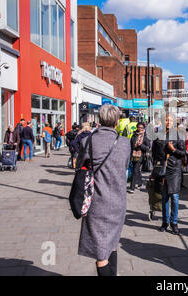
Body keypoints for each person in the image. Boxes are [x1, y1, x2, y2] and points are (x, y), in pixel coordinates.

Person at [77, 105, 131, 276]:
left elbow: (80, 168)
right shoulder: (125, 143)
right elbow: (125, 165)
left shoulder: (88, 142)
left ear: (99, 120)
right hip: (118, 201)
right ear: (116, 122)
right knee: (112, 242)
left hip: (96, 202)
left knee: (101, 252)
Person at [151, 114, 185, 235]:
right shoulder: (158, 135)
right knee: (164, 197)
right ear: (163, 121)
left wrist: (173, 149)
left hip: (174, 170)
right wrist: (155, 166)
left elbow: (183, 153)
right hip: (162, 170)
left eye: (170, 120)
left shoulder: (178, 135)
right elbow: (154, 153)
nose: (168, 122)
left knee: (174, 198)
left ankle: (174, 223)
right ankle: (165, 222)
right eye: (166, 120)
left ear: (174, 122)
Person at [129, 122, 151, 194]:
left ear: (143, 128)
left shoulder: (145, 137)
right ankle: (140, 182)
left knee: (135, 170)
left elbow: (148, 148)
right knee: (136, 170)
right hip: (133, 155)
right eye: (139, 127)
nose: (140, 129)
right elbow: (131, 145)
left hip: (141, 156)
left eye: (141, 128)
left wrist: (141, 145)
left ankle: (132, 187)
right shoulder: (134, 135)